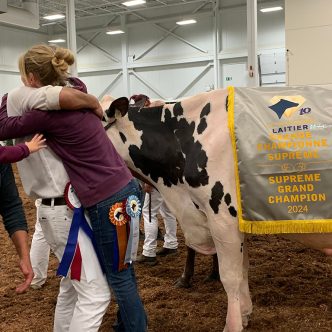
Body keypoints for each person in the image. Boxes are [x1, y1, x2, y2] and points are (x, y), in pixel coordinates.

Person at [0, 44, 147, 332]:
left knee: (90, 285)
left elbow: (4, 125)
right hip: (96, 197)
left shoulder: (40, 110)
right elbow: (73, 87)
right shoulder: (74, 95)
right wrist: (90, 101)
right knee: (102, 285)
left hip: (86, 201)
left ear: (31, 78)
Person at [6, 70, 111, 331]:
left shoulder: (18, 112)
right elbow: (73, 90)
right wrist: (91, 102)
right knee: (96, 294)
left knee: (71, 288)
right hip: (65, 210)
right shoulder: (43, 113)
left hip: (56, 209)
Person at [129, 95, 178, 266]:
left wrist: (148, 181)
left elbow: (153, 159)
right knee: (167, 211)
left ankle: (149, 252)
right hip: (169, 177)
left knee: (149, 213)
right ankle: (171, 243)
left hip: (156, 178)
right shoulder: (166, 126)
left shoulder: (150, 130)